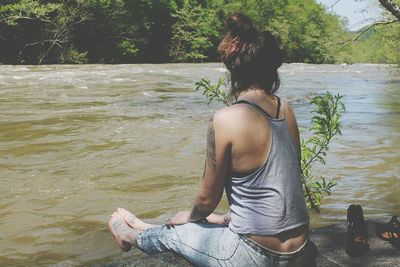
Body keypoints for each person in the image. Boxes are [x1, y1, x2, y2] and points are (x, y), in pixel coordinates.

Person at [108, 13, 317, 266]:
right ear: (271, 70)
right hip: (301, 250)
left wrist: (193, 216)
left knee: (179, 232)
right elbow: (278, 189)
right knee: (207, 222)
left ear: (233, 71)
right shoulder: (287, 110)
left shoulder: (225, 119)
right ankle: (146, 226)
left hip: (256, 256)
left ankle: (130, 234)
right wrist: (221, 219)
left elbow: (207, 200)